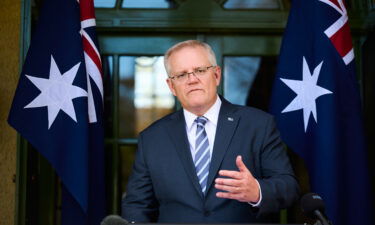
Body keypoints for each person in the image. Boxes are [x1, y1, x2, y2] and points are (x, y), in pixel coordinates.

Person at [121, 40, 299, 223]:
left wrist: (257, 191)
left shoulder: (258, 125)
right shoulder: (152, 138)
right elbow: (137, 205)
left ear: (216, 75)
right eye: (181, 75)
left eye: (200, 70)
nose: (192, 79)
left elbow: (288, 188)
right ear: (171, 86)